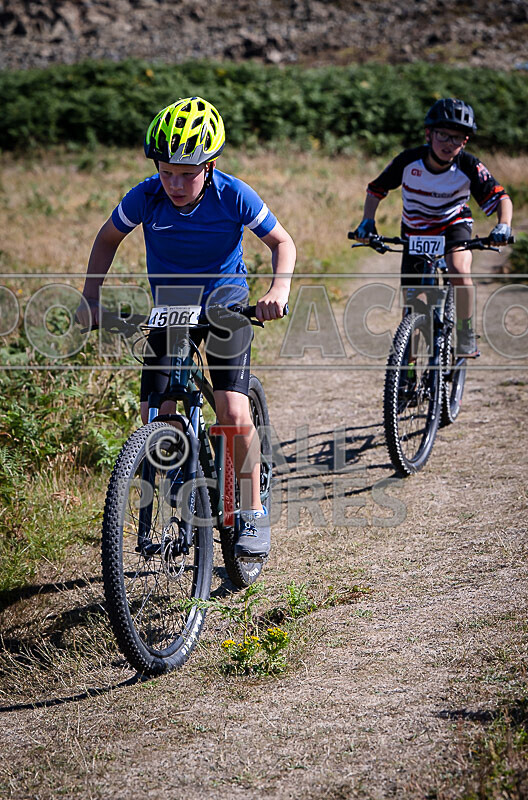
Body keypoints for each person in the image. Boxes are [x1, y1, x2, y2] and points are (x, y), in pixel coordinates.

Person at [76, 96, 296, 560]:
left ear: (211, 165)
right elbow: (107, 237)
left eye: (187, 173)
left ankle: (251, 509)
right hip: (171, 308)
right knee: (155, 414)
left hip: (225, 305)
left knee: (232, 412)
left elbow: (282, 242)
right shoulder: (146, 196)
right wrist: (91, 296)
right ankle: (180, 483)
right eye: (166, 170)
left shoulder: (234, 194)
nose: (174, 183)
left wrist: (278, 290)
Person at [351, 97, 513, 357]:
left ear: (465, 142)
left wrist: (503, 225)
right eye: (443, 135)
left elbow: (500, 198)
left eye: (457, 138)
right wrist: (368, 221)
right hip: (416, 230)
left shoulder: (469, 166)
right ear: (429, 134)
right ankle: (409, 376)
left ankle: (465, 330)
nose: (449, 143)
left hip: (453, 225)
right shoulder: (408, 161)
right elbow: (376, 189)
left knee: (459, 268)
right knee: (414, 306)